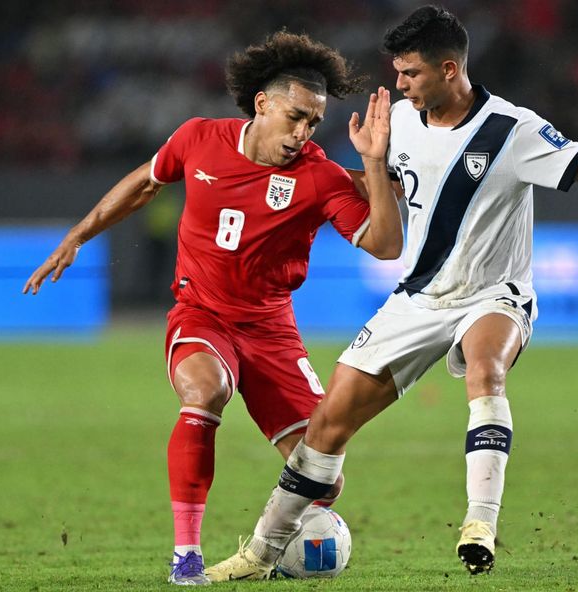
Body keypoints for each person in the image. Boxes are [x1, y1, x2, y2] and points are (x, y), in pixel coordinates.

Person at [206, 5, 578, 581]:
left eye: (411, 73)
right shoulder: (398, 121)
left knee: (485, 371)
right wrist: (370, 163)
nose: (400, 84)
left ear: (449, 69)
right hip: (419, 298)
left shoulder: (511, 129)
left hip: (495, 293)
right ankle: (260, 554)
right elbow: (388, 191)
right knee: (327, 425)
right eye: (398, 72)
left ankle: (480, 523)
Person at [23, 31, 401, 586]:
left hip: (271, 329)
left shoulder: (318, 176)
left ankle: (280, 544)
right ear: (262, 104)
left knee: (323, 480)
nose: (303, 133)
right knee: (204, 392)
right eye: (295, 117)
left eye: (314, 123)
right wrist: (78, 235)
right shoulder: (198, 138)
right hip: (202, 314)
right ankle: (187, 558)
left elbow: (386, 246)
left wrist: (372, 164)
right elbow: (145, 183)